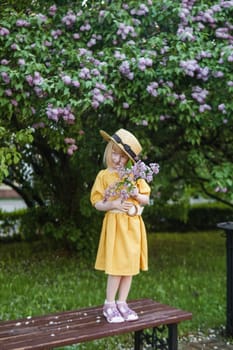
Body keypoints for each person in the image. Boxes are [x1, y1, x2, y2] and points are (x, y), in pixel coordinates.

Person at [90, 128, 151, 323]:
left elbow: (146, 199)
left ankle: (122, 303)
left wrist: (135, 194)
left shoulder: (134, 176)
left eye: (123, 157)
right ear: (109, 151)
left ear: (129, 161)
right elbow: (97, 202)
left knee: (129, 267)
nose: (117, 159)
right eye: (114, 153)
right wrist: (113, 204)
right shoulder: (104, 176)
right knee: (117, 267)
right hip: (116, 225)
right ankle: (109, 304)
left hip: (133, 226)